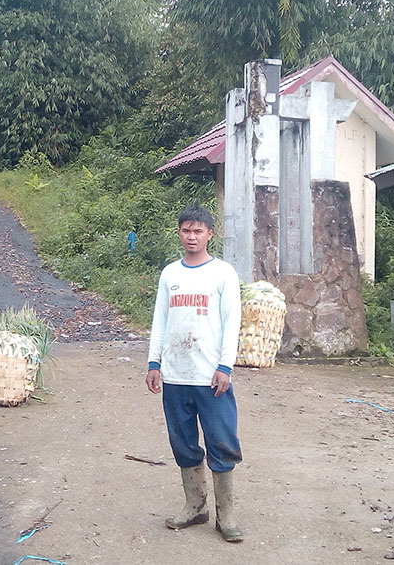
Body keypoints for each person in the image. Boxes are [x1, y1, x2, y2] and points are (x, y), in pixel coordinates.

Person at [146, 205, 243, 542]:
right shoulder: (170, 275)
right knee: (183, 442)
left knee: (221, 441)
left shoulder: (223, 274)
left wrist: (225, 365)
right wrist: (154, 363)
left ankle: (226, 516)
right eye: (186, 230)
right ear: (179, 233)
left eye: (198, 231)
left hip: (211, 377)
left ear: (210, 235)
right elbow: (160, 321)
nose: (191, 236)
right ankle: (195, 505)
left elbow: (232, 323)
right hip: (175, 375)